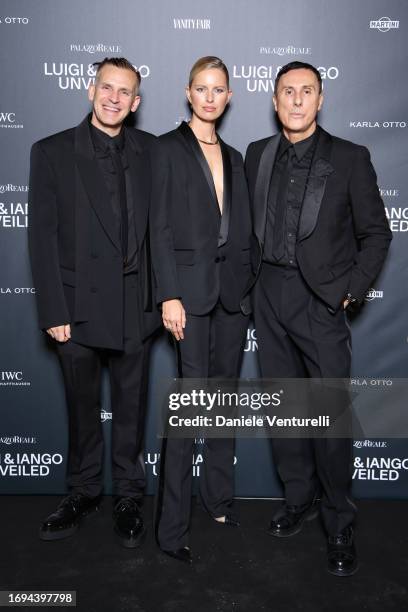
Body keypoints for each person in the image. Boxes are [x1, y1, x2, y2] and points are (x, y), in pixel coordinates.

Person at [245, 61, 392, 576]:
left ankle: (339, 519)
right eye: (288, 91)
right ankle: (299, 499)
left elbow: (377, 233)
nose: (298, 100)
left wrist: (351, 291)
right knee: (286, 410)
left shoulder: (351, 158)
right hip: (268, 294)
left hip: (322, 300)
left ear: (321, 99)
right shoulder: (257, 155)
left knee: (329, 418)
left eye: (307, 91)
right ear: (275, 99)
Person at [28, 57, 159, 547]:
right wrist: (54, 310)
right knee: (82, 407)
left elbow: (160, 231)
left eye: (125, 92)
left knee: (131, 407)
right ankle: (82, 491)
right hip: (77, 305)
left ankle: (128, 493)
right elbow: (41, 238)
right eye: (107, 87)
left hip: (134, 303)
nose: (114, 98)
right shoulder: (53, 151)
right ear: (90, 90)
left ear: (136, 102)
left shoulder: (151, 150)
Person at [151, 56, 254, 563]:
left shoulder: (236, 157)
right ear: (188, 93)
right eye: (201, 88)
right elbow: (159, 230)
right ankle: (170, 528)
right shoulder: (167, 149)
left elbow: (245, 229)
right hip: (188, 298)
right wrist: (168, 293)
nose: (210, 97)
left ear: (229, 96)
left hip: (233, 298)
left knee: (221, 405)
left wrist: (249, 287)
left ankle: (218, 500)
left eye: (219, 89)